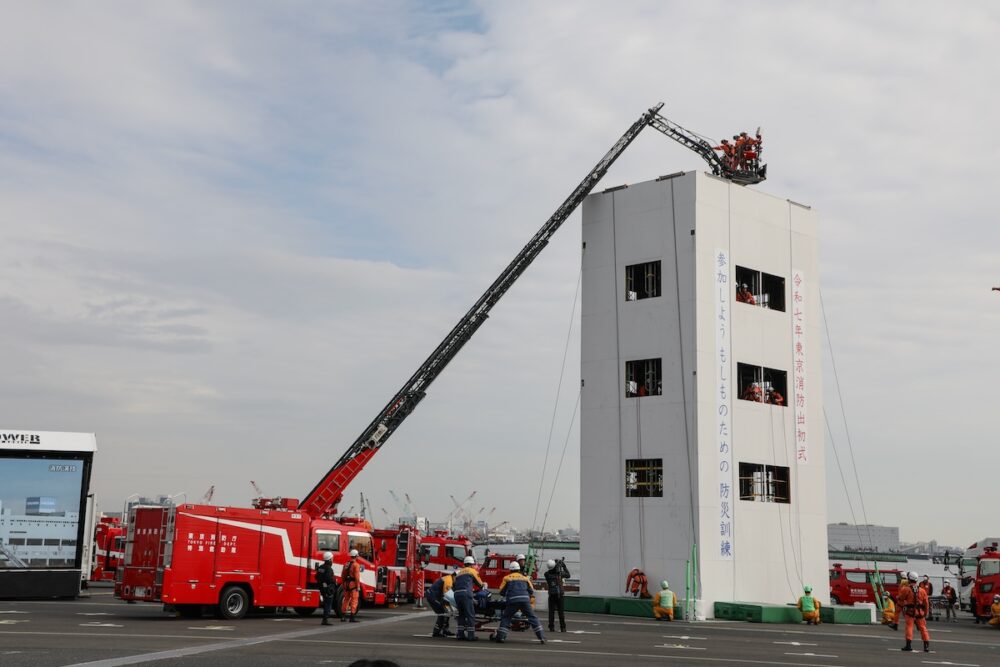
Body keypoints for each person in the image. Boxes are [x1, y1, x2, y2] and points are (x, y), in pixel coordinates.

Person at [493, 562, 545, 644]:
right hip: (525, 600)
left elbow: (501, 592)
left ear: (510, 570)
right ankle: (542, 637)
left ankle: (501, 637)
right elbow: (531, 591)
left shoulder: (507, 578)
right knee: (532, 617)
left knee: (506, 617)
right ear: (519, 569)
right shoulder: (525, 578)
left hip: (512, 601)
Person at [897, 571, 930, 652]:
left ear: (909, 579)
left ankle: (908, 645)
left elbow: (900, 599)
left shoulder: (906, 589)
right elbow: (926, 604)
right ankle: (926, 646)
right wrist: (925, 613)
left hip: (910, 612)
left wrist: (900, 608)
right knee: (923, 628)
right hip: (920, 612)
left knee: (909, 627)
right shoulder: (922, 590)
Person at [453, 555, 485, 641]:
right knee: (470, 615)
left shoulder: (459, 572)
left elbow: (454, 584)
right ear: (471, 564)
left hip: (456, 594)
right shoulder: (472, 571)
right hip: (465, 593)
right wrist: (482, 586)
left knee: (461, 615)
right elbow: (479, 583)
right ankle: (471, 636)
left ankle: (460, 634)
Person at [425, 569, 455, 637]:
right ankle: (436, 632)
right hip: (433, 596)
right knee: (442, 612)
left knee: (448, 611)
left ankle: (445, 630)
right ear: (454, 576)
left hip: (436, 596)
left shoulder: (450, 578)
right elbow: (447, 594)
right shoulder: (449, 580)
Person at [544, 558, 569, 632]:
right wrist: (563, 566)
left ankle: (551, 627)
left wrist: (555, 565)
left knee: (551, 612)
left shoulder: (547, 574)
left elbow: (551, 570)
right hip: (559, 594)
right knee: (561, 612)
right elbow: (568, 575)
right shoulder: (560, 574)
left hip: (552, 595)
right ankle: (563, 627)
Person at [316, 551, 341, 625]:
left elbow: (316, 577)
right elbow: (329, 579)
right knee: (328, 604)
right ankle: (325, 620)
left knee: (326, 603)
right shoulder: (329, 568)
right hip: (328, 589)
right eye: (332, 558)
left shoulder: (321, 567)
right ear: (329, 559)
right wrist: (334, 580)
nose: (332, 560)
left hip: (322, 588)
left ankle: (325, 619)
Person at [341, 549, 361, 622]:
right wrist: (358, 586)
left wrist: (343, 584)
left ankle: (343, 616)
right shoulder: (356, 565)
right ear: (356, 556)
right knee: (354, 600)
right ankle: (352, 617)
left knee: (345, 600)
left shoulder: (346, 564)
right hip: (353, 585)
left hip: (346, 585)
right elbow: (357, 577)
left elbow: (343, 575)